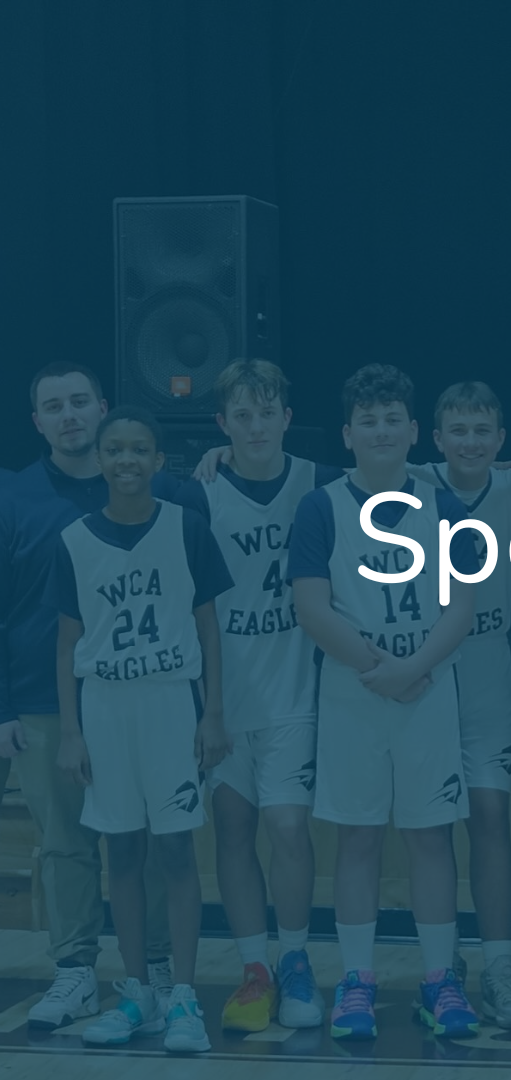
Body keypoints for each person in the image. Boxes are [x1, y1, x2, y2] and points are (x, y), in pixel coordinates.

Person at [289, 363, 481, 1041]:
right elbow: (311, 607)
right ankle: (358, 980)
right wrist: (383, 668)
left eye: (391, 418)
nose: (379, 429)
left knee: (431, 837)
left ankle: (438, 980)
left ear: (413, 431)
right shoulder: (321, 506)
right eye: (366, 420)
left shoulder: (443, 506)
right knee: (359, 837)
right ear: (347, 434)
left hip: (427, 691)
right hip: (355, 693)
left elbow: (464, 602)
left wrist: (416, 666)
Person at [49, 406, 232, 1053]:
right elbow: (68, 643)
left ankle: (183, 997)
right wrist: (70, 731)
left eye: (139, 450)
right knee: (120, 852)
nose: (126, 460)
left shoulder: (187, 528)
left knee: (177, 850)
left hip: (170, 703)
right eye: (115, 449)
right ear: (100, 460)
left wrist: (212, 712)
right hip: (104, 706)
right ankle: (137, 995)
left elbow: (210, 627)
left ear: (159, 461)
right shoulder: (74, 540)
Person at [0, 365, 175, 1029]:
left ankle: (154, 967)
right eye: (54, 406)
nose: (70, 415)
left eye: (80, 402)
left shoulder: (153, 489)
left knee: (149, 839)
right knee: (66, 844)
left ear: (103, 409)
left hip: (137, 694)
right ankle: (74, 972)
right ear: (38, 420)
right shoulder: (12, 498)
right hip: (44, 700)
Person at [175, 359, 343, 1033]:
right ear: (222, 425)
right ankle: (253, 968)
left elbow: (401, 483)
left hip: (294, 693)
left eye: (265, 413)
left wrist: (510, 475)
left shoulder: (320, 483)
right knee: (235, 830)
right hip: (221, 695)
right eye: (239, 416)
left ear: (286, 418)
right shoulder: (197, 492)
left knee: (287, 828)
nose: (254, 426)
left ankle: (296, 958)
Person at [410, 381, 511, 1028]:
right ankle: (443, 964)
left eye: (482, 431)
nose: (470, 442)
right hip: (428, 664)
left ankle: (500, 964)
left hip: (487, 660)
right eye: (457, 431)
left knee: (490, 815)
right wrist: (216, 460)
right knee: (430, 824)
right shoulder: (409, 479)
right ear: (436, 439)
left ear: (501, 439)